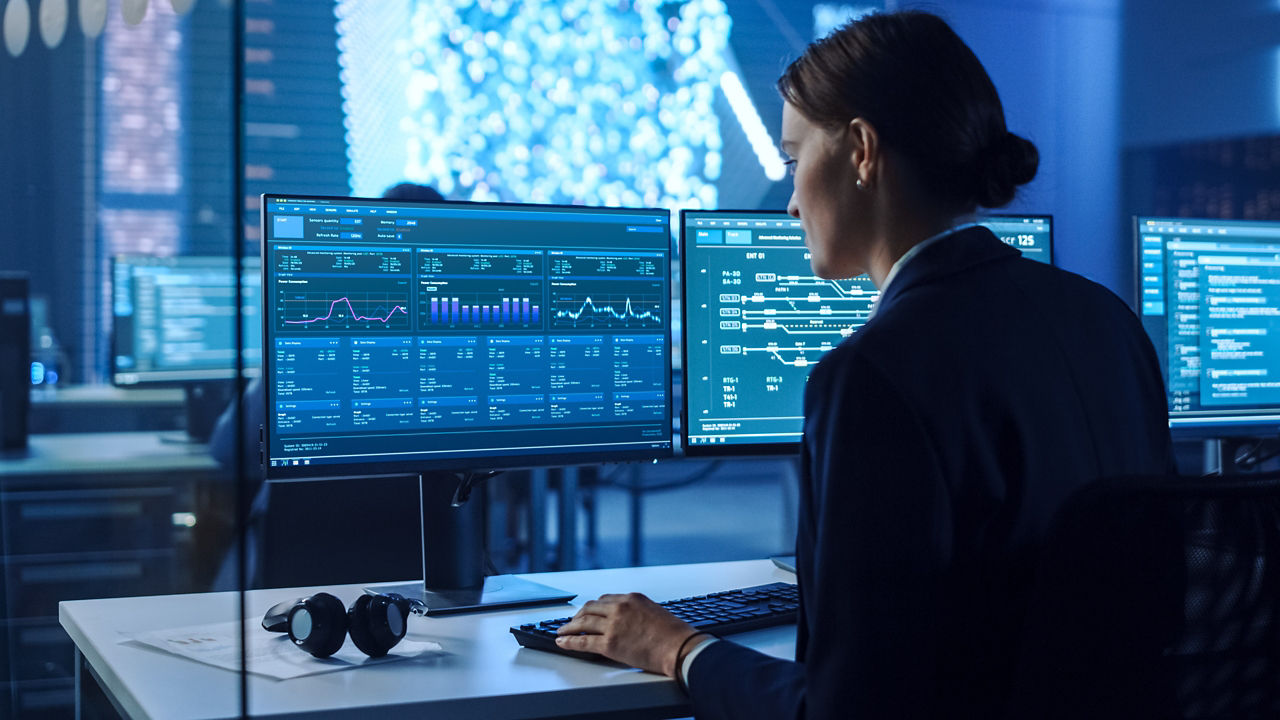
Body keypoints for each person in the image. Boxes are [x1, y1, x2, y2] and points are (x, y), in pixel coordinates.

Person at [552, 11, 1175, 718]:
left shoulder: (875, 373)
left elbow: (846, 709)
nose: (789, 203)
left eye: (794, 161)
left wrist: (677, 648)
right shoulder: (1109, 322)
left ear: (860, 151)